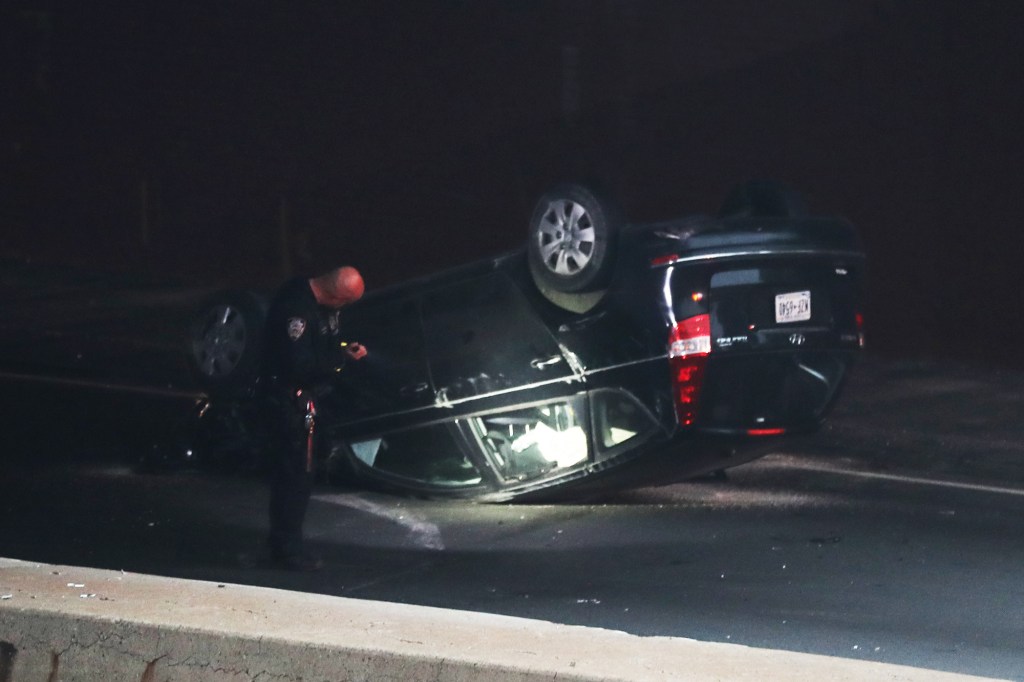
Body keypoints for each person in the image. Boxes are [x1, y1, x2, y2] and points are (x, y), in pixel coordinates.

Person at [260, 266, 368, 570]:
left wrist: (343, 352)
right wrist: (336, 364)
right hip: (291, 401)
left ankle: (287, 543)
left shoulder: (320, 306)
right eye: (344, 303)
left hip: (308, 398)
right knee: (295, 474)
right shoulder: (296, 309)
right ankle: (286, 550)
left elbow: (325, 346)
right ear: (335, 295)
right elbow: (300, 365)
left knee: (303, 473)